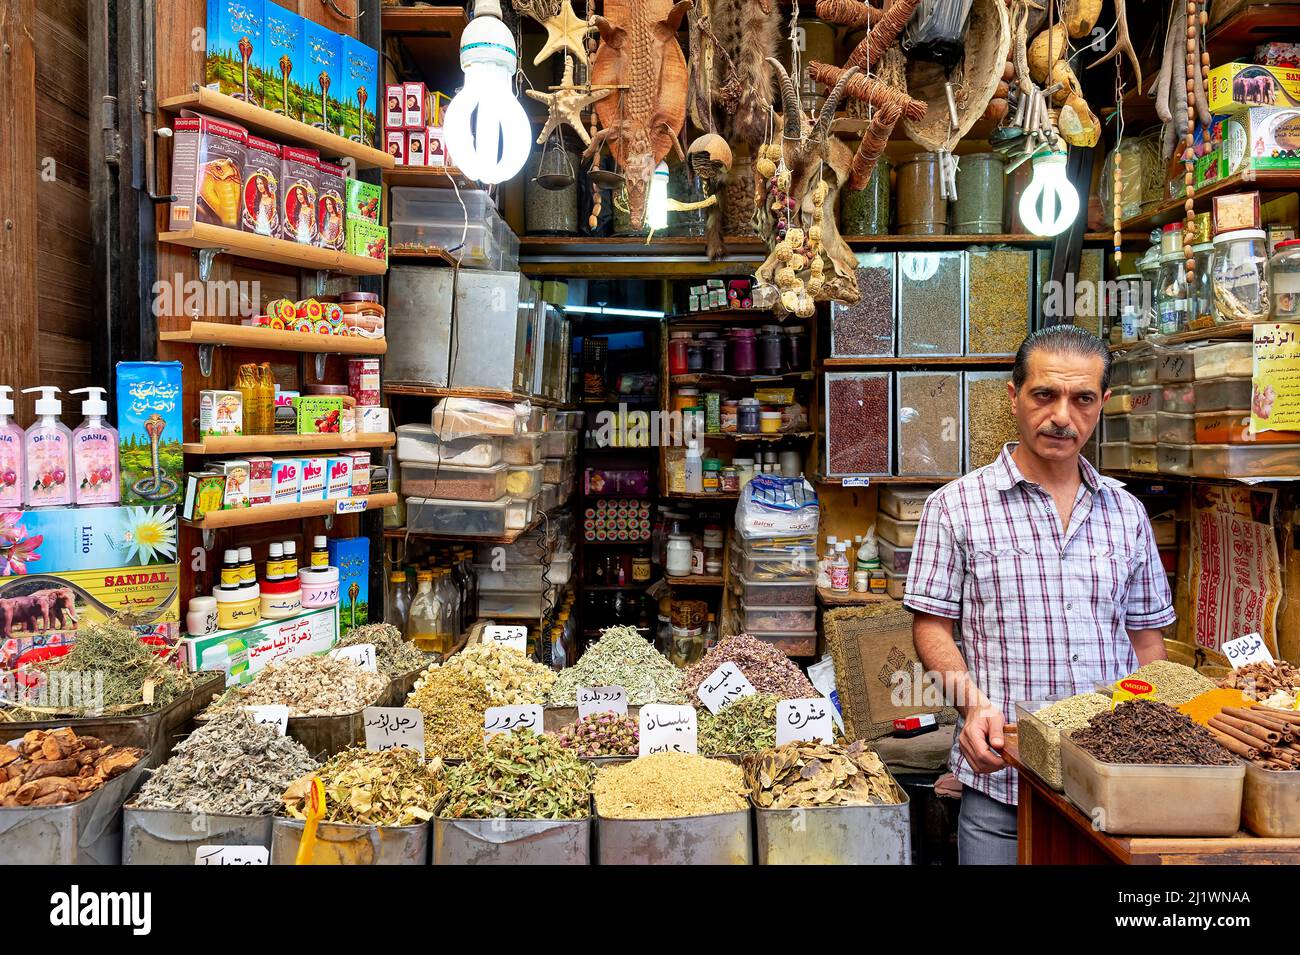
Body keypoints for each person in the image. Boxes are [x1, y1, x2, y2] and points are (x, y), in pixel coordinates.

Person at [904, 325, 1174, 865]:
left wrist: (1155, 735)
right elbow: (932, 626)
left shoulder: (1127, 514)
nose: (1061, 417)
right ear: (1014, 396)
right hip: (1005, 785)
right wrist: (973, 705)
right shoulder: (956, 507)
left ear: (1103, 404)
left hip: (1111, 790)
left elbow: (1147, 640)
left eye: (1082, 399)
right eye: (1044, 395)